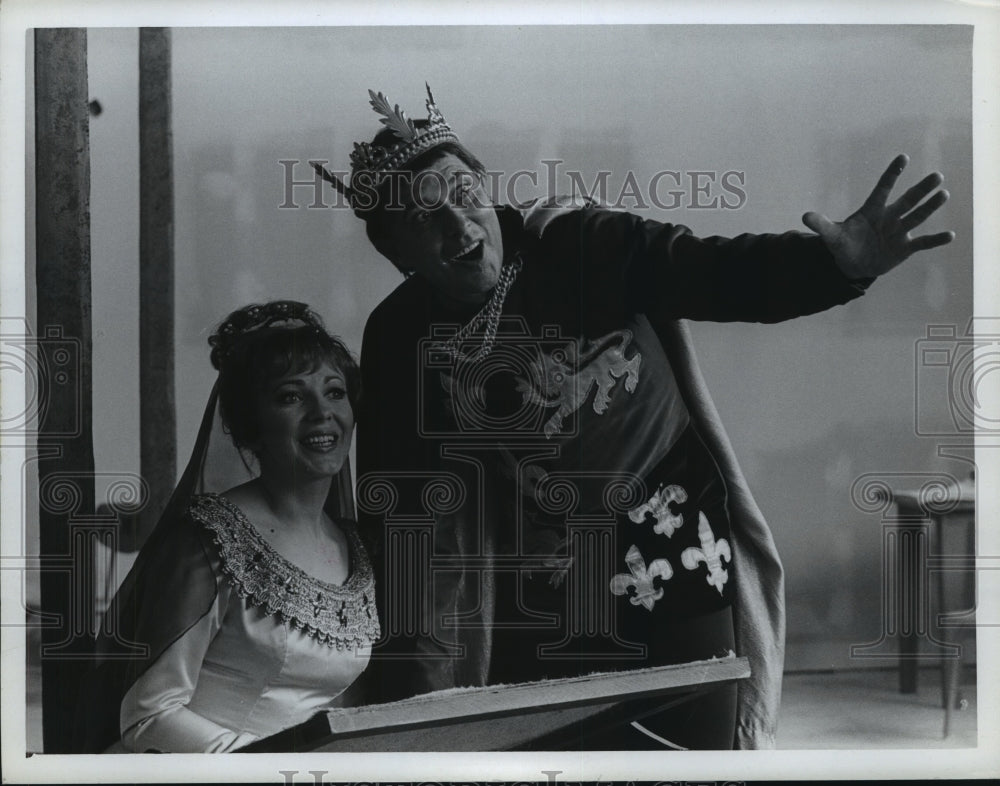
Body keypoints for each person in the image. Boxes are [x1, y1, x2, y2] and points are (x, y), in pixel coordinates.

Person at [320, 86, 954, 750]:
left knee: (693, 752)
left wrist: (830, 266)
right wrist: (416, 696)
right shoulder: (399, 334)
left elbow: (710, 272)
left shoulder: (573, 241)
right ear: (396, 251)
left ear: (482, 182)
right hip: (541, 584)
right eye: (424, 220)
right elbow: (407, 522)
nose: (459, 229)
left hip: (671, 541)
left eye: (461, 193)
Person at [72, 300, 379, 753]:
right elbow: (148, 716)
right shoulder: (207, 541)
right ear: (250, 427)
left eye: (334, 392)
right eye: (291, 396)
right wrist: (271, 771)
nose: (322, 413)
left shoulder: (354, 546)